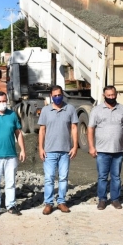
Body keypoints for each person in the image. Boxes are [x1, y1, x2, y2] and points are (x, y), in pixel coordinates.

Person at [88, 86, 123, 210]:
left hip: (118, 150)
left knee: (116, 176)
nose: (111, 97)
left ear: (116, 94)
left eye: (113, 95)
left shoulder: (122, 109)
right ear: (104, 96)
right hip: (102, 151)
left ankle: (115, 199)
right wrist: (91, 147)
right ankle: (102, 200)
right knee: (102, 176)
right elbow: (90, 129)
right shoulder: (96, 110)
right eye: (108, 95)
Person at [38, 85, 78, 215]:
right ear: (51, 96)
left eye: (59, 95)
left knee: (63, 177)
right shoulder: (45, 110)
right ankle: (48, 204)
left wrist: (75, 146)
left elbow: (74, 128)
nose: (57, 97)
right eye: (54, 96)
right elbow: (42, 130)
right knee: (49, 178)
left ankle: (61, 202)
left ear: (63, 94)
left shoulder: (70, 109)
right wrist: (41, 148)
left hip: (65, 151)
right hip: (49, 151)